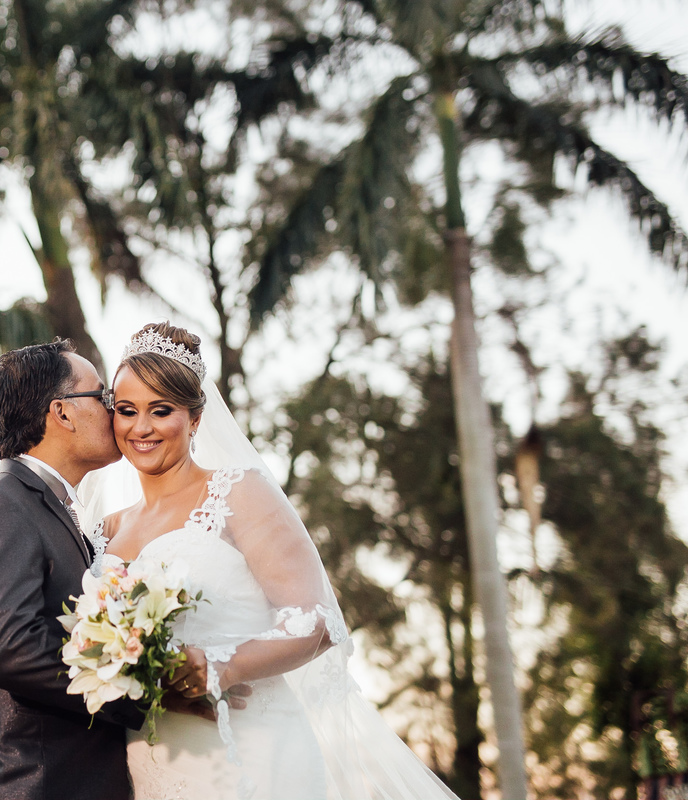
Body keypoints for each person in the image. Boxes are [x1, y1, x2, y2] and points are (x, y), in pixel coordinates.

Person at [80, 322, 461, 800]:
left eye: (161, 411)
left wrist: (222, 667)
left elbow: (317, 622)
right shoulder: (104, 531)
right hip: (148, 753)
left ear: (195, 418)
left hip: (249, 746)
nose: (141, 428)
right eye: (128, 411)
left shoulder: (239, 492)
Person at [0, 339, 232, 800]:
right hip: (27, 787)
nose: (114, 410)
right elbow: (10, 649)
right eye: (102, 397)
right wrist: (153, 692)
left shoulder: (70, 518)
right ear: (62, 412)